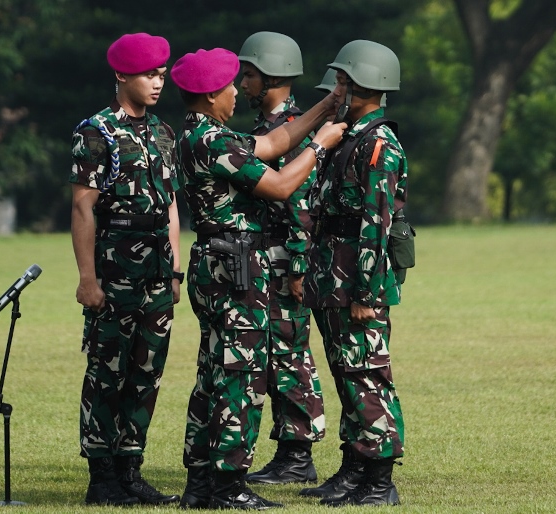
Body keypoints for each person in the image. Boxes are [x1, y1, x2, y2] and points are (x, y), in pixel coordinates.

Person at [169, 47, 346, 510]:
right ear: (210, 95)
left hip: (218, 263)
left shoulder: (202, 133)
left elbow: (273, 143)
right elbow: (283, 183)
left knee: (212, 372)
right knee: (240, 375)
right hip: (235, 270)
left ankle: (201, 484)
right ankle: (228, 486)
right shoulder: (214, 142)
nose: (234, 93)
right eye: (229, 86)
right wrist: (321, 145)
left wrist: (324, 109)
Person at [69, 32, 182, 507]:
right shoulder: (97, 132)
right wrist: (88, 279)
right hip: (114, 270)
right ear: (122, 76)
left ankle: (130, 469)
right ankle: (101, 477)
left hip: (157, 270)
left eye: (160, 74)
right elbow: (82, 207)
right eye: (148, 74)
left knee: (146, 372)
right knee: (106, 370)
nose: (157, 83)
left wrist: (175, 269)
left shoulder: (162, 132)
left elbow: (172, 203)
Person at [301, 40, 409, 507]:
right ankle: (354, 469)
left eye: (343, 81)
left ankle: (380, 481)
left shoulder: (379, 147)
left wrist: (366, 291)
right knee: (347, 373)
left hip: (357, 283)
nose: (336, 88)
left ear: (367, 84)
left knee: (368, 374)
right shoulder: (350, 136)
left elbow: (376, 226)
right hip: (334, 276)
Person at [237, 31, 325, 486]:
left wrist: (297, 265)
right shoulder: (269, 131)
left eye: (249, 74)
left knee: (289, 355)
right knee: (275, 354)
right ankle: (290, 452)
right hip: (264, 261)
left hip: (283, 262)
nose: (242, 82)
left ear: (271, 77)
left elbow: (302, 205)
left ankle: (296, 456)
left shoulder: (290, 131)